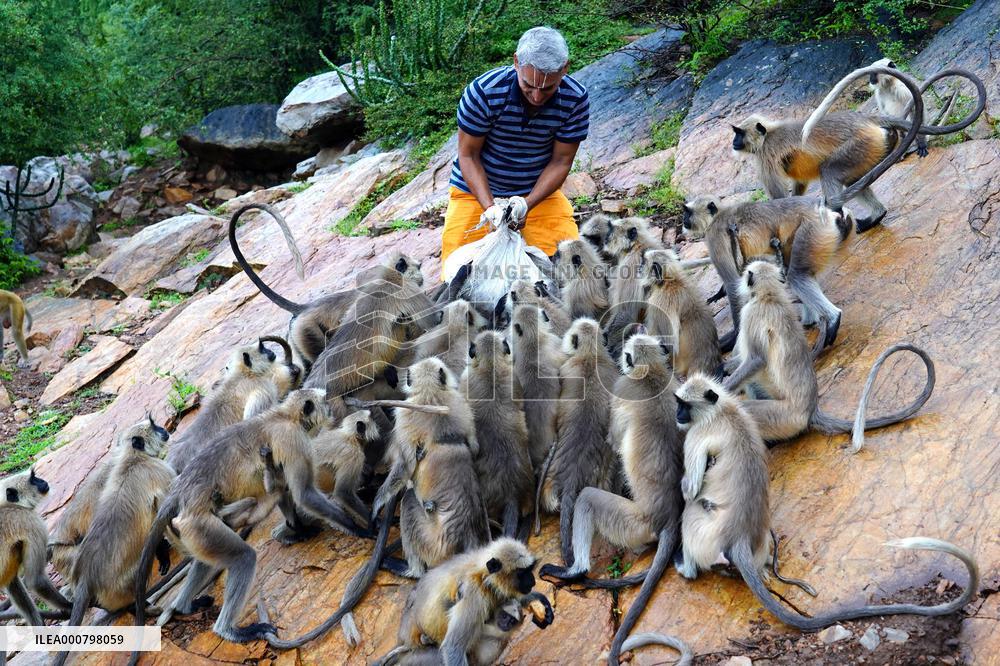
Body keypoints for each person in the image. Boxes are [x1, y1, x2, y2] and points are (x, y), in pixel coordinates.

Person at [440, 26, 590, 268]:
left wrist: (526, 205)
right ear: (516, 63)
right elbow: (468, 155)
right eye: (528, 85)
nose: (537, 97)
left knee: (572, 265)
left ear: (565, 68)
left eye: (548, 88)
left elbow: (561, 161)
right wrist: (490, 209)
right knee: (457, 269)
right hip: (475, 192)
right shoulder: (484, 92)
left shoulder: (575, 99)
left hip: (537, 194)